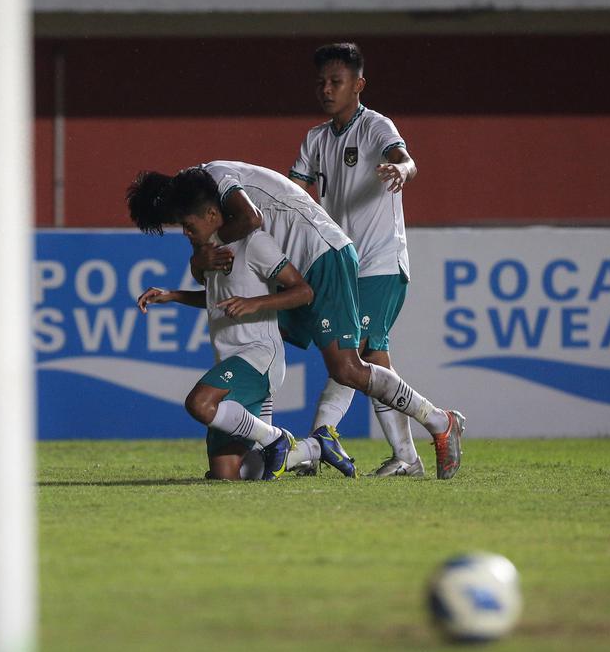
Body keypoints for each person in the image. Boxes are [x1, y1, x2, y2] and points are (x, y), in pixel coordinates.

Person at [127, 161, 464, 480]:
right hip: (290, 265)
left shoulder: (215, 177)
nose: (184, 232)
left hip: (319, 253)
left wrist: (203, 255)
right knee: (281, 337)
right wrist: (189, 277)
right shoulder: (215, 214)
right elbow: (216, 287)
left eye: (180, 223)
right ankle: (292, 446)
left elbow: (251, 217)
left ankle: (437, 420)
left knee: (345, 367)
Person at [134, 168, 344, 481]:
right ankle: (312, 450)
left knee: (199, 403)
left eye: (189, 227)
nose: (186, 235)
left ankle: (277, 439)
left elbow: (303, 292)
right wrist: (173, 295)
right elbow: (215, 298)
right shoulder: (210, 254)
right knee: (228, 475)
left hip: (259, 357)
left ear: (210, 213)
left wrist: (255, 304)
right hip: (232, 359)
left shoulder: (254, 243)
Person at [289, 42, 423, 477]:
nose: (326, 89)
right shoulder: (315, 139)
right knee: (373, 361)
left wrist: (400, 170)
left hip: (381, 263)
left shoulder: (376, 127)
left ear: (358, 85)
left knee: (352, 356)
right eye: (321, 82)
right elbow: (291, 193)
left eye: (336, 82)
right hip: (343, 268)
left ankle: (314, 443)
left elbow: (406, 160)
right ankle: (409, 455)